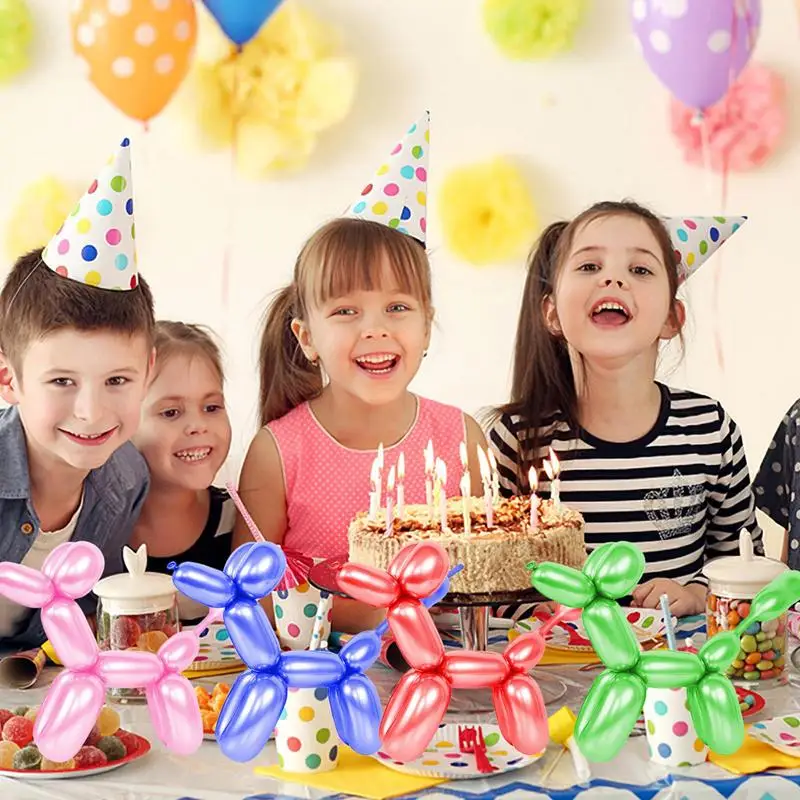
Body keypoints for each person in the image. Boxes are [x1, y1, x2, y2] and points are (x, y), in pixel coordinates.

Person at [234, 114, 487, 633]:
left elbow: (485, 574)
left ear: (427, 325)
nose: (375, 330)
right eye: (347, 311)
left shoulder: (461, 438)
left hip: (447, 675)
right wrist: (371, 614)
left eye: (397, 308)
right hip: (315, 686)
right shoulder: (278, 452)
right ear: (307, 338)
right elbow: (250, 595)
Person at [487, 201, 761, 618]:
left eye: (640, 270)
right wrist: (544, 607)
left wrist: (693, 595)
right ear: (552, 313)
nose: (612, 278)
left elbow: (744, 567)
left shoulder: (709, 429)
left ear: (672, 317)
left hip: (675, 670)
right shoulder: (518, 438)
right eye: (589, 266)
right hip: (551, 675)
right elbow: (483, 585)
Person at [0, 139, 153, 648]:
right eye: (62, 381)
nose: (90, 412)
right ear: (9, 379)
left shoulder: (127, 477)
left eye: (117, 380)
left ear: (148, 372)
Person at [131, 321, 235, 621]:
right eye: (171, 413)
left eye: (212, 407)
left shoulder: (238, 523)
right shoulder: (101, 528)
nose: (198, 425)